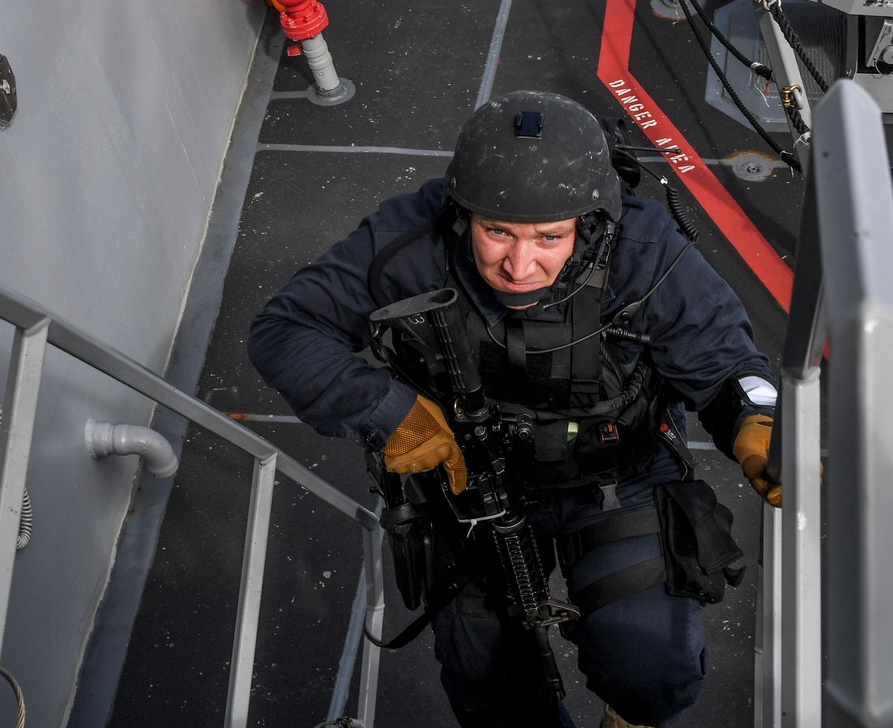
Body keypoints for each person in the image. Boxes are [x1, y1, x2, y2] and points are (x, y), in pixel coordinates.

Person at [248, 90, 779, 728]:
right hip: (465, 476)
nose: (519, 266)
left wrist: (759, 422)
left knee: (651, 666)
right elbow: (285, 330)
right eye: (497, 231)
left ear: (589, 222)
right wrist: (388, 411)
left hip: (617, 475)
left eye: (549, 238)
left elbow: (728, 365)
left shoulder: (644, 250)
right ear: (462, 212)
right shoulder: (409, 241)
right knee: (488, 686)